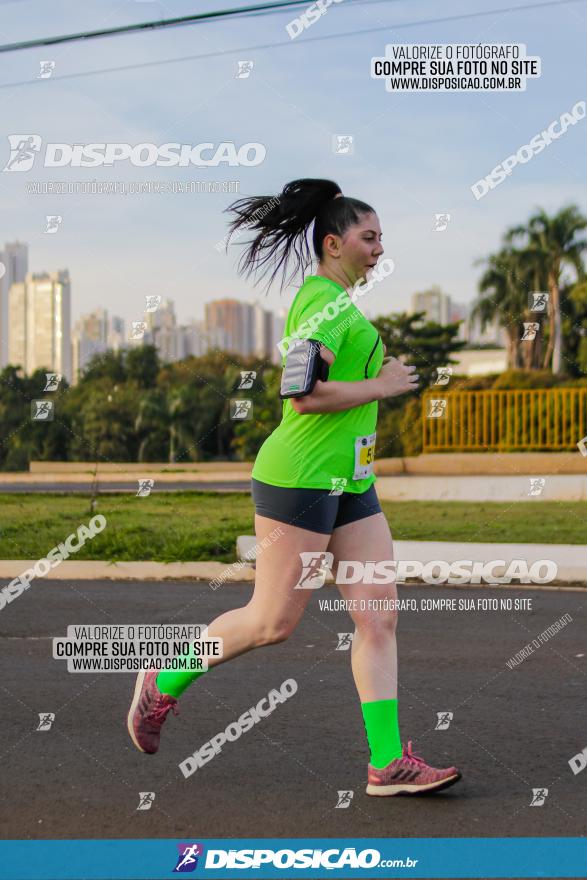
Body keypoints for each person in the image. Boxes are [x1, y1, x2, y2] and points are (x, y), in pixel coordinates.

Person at [127, 178, 461, 797]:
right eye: (369, 237)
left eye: (383, 237)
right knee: (272, 621)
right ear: (334, 243)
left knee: (378, 616)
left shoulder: (344, 304)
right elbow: (302, 396)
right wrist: (383, 386)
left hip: (351, 483)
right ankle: (161, 681)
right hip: (300, 479)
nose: (379, 248)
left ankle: (386, 763)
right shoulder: (322, 303)